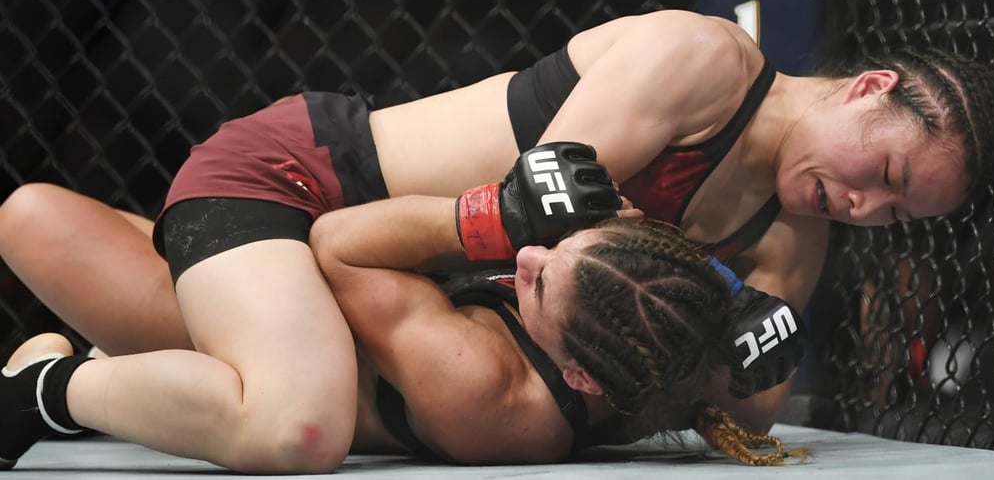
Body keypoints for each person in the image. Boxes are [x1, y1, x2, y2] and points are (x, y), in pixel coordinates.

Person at [0, 9, 994, 433]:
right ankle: (38, 393)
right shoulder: (703, 63)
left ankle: (174, 274)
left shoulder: (793, 228)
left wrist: (752, 358)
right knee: (293, 419)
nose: (863, 205)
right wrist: (717, 304)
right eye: (881, 170)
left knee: (37, 222)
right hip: (305, 188)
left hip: (384, 290)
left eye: (892, 211)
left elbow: (741, 409)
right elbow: (549, 217)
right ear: (866, 88)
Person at [0, 143, 802, 472]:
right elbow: (737, 381)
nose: (527, 258)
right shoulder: (658, 351)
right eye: (557, 248)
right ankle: (110, 368)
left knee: (31, 217)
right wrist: (728, 293)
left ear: (579, 374)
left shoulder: (482, 385)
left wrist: (495, 215)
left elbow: (338, 243)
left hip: (291, 284)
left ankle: (44, 390)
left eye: (540, 281)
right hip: (285, 223)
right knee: (31, 217)